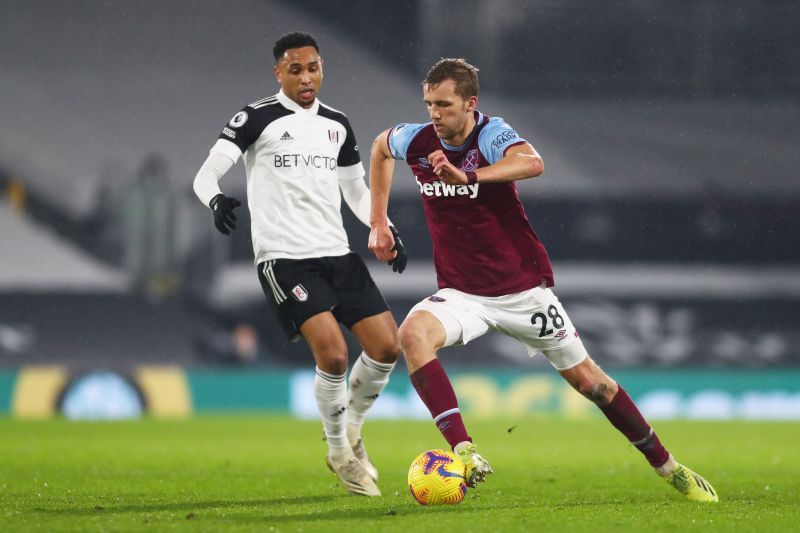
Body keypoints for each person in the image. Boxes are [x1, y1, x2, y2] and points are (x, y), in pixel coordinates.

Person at [368, 58, 718, 503]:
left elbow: (532, 163)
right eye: (429, 104)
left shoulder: (490, 135)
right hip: (461, 294)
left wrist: (469, 175)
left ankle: (670, 468)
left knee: (594, 384)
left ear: (470, 103)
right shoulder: (416, 140)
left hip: (522, 292)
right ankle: (466, 451)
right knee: (412, 335)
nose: (435, 114)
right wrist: (378, 221)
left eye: (445, 104)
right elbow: (380, 148)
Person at [193, 32, 407, 497]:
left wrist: (384, 227)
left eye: (313, 68)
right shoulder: (255, 117)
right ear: (279, 72)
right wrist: (214, 199)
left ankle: (352, 428)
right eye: (295, 69)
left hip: (336, 253)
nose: (306, 77)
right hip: (285, 259)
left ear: (322, 69)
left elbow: (355, 189)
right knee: (333, 354)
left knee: (389, 347)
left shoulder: (337, 123)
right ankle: (339, 454)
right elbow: (206, 172)